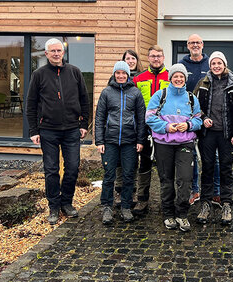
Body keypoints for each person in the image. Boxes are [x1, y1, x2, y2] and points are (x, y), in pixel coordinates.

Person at [26, 38, 89, 225]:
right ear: (46, 54)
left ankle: (66, 203)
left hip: (71, 130)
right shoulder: (39, 74)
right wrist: (33, 130)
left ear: (63, 52)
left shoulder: (75, 72)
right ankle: (53, 207)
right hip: (48, 130)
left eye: (58, 50)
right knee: (51, 170)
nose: (56, 54)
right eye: (52, 51)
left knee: (72, 168)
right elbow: (31, 104)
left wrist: (84, 124)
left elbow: (84, 99)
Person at [145, 64, 202, 232]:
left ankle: (182, 214)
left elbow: (198, 120)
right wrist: (166, 127)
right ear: (170, 78)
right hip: (163, 143)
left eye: (181, 77)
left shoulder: (192, 98)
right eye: (175, 76)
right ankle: (168, 214)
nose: (178, 79)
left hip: (185, 144)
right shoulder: (160, 95)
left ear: (185, 79)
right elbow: (149, 117)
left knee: (185, 179)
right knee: (166, 180)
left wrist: (188, 124)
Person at [193, 51, 233, 225]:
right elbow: (194, 106)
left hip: (226, 135)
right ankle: (205, 204)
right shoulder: (203, 83)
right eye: (213, 63)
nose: (216, 66)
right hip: (208, 134)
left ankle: (226, 204)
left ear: (224, 64)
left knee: (226, 169)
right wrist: (203, 118)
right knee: (207, 168)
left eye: (219, 63)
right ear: (210, 65)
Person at [95, 61, 146, 224]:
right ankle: (107, 207)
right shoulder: (106, 92)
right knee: (109, 175)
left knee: (128, 175)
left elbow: (141, 119)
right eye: (118, 73)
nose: (121, 76)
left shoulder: (135, 93)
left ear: (128, 74)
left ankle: (126, 207)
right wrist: (99, 140)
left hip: (129, 141)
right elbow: (99, 118)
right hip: (109, 141)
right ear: (114, 74)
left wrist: (140, 140)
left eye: (124, 73)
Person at [178, 34, 217, 205]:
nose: (195, 45)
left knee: (212, 156)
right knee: (192, 157)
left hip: (208, 117)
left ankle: (215, 190)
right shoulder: (181, 65)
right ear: (187, 45)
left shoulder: (210, 64)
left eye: (198, 42)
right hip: (189, 119)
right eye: (192, 43)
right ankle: (195, 190)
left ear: (203, 44)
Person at [131, 46, 170, 215]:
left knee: (165, 167)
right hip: (145, 128)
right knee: (145, 165)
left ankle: (166, 202)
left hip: (166, 129)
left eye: (159, 56)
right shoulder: (139, 79)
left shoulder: (171, 77)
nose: (156, 59)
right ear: (148, 58)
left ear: (163, 57)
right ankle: (142, 200)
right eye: (153, 56)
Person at [113, 49, 144, 207]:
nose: (130, 61)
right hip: (117, 130)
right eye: (127, 58)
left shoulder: (141, 77)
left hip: (133, 128)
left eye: (133, 58)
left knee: (133, 163)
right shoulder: (115, 79)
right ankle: (119, 191)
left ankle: (133, 191)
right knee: (119, 163)